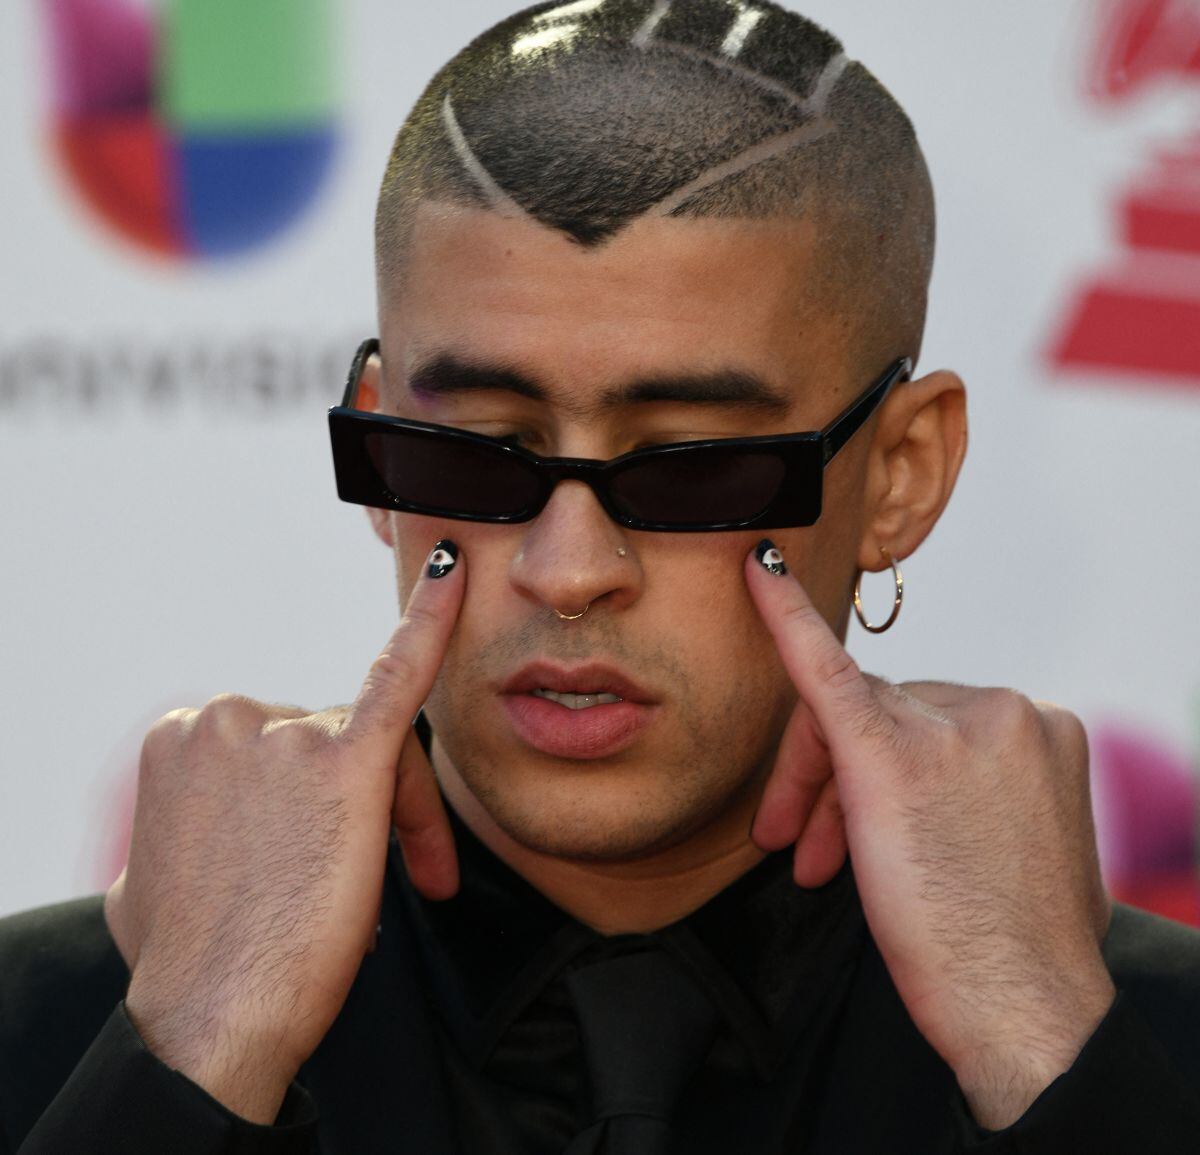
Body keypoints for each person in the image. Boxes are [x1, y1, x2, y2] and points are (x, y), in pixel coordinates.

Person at [3, 1, 1199, 1151]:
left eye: (694, 469)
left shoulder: (1126, 1042)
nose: (569, 573)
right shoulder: (60, 1032)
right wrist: (191, 1064)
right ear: (382, 452)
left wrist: (1049, 1056)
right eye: (477, 452)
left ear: (900, 474)